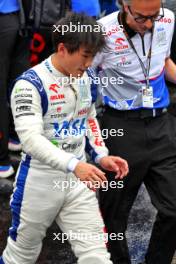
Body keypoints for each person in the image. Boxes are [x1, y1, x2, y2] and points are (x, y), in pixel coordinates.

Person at [0, 12, 129, 264]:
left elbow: (89, 118)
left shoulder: (88, 77)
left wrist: (101, 156)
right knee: (21, 257)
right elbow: (30, 140)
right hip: (39, 183)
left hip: (79, 181)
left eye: (93, 56)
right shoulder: (29, 85)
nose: (90, 63)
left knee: (97, 256)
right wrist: (74, 165)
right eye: (85, 55)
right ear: (62, 48)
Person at [92, 0, 176, 263]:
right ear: (124, 6)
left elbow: (164, 61)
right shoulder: (101, 31)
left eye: (155, 16)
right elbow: (84, 74)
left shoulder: (168, 19)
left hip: (161, 124)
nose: (150, 24)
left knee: (174, 209)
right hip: (119, 127)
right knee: (113, 215)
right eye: (142, 18)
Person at [0, 0, 30, 178]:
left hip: (6, 19)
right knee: (16, 83)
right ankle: (15, 137)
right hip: (22, 17)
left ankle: (2, 160)